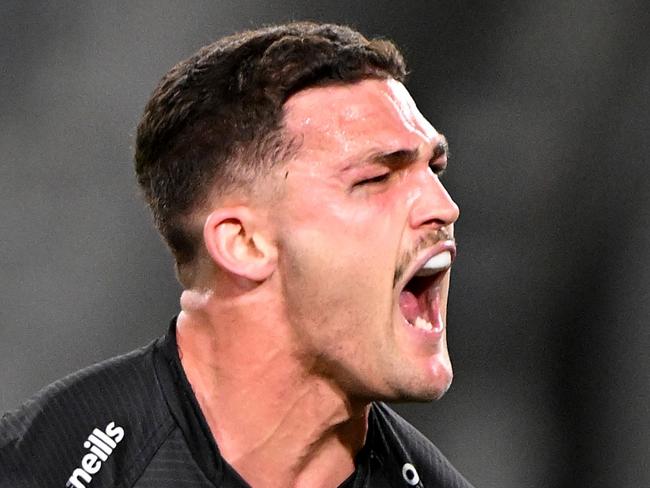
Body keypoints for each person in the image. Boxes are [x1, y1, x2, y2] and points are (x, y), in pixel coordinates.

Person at [0, 22, 473, 488]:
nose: (444, 206)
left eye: (433, 169)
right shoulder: (42, 469)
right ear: (243, 243)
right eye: (376, 178)